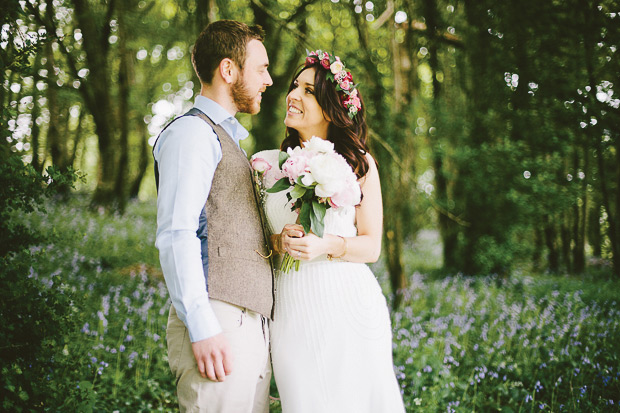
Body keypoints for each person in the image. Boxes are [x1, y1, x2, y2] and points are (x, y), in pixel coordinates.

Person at [255, 51, 405, 412]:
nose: (293, 95)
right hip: (292, 312)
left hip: (349, 305)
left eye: (308, 91)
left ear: (330, 107)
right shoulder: (264, 165)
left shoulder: (359, 163)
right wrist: (277, 242)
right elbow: (251, 238)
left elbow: (370, 246)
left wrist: (325, 244)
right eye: (295, 87)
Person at [152, 20, 274, 412]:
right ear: (228, 70)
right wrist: (203, 327)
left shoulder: (230, 142)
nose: (268, 80)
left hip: (247, 326)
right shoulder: (192, 134)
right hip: (218, 321)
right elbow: (177, 233)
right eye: (261, 68)